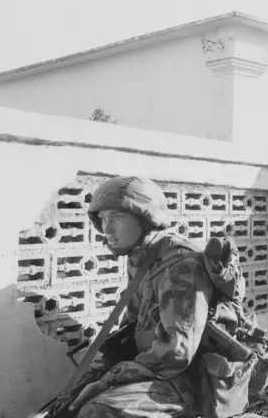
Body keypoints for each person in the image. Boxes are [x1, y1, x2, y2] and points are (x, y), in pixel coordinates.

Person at [67, 176, 243, 416]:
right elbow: (131, 328)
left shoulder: (181, 266)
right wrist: (98, 372)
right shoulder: (141, 258)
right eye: (103, 219)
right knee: (73, 400)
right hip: (157, 368)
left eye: (117, 218)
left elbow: (176, 353)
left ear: (146, 219)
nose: (107, 228)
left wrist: (110, 379)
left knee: (98, 410)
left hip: (193, 379)